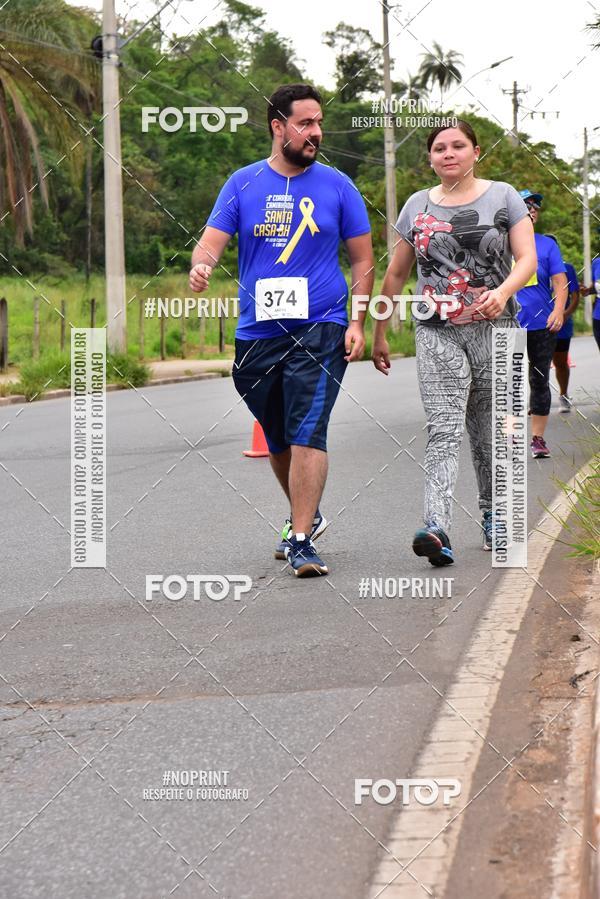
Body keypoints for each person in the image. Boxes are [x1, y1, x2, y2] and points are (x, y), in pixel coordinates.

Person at [189, 83, 374, 577]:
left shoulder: (339, 186)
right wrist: (202, 266)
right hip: (258, 332)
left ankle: (299, 539)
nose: (316, 132)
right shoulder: (243, 183)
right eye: (305, 123)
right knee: (277, 437)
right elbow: (210, 241)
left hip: (322, 325)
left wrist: (356, 320)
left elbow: (362, 259)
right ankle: (307, 514)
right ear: (278, 126)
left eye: (319, 123)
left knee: (309, 429)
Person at [372, 120, 536, 565]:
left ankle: (495, 517)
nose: (449, 153)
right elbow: (396, 274)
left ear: (476, 152)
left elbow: (527, 258)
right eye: (439, 148)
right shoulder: (415, 206)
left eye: (458, 146)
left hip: (498, 331)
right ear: (430, 158)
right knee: (443, 430)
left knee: (492, 433)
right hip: (436, 331)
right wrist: (380, 331)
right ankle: (436, 527)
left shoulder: (504, 197)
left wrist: (502, 293)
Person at [515, 191, 568, 456]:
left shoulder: (547, 245)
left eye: (535, 206)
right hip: (507, 324)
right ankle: (509, 438)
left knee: (539, 379)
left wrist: (558, 310)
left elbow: (560, 281)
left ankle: (537, 438)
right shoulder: (501, 244)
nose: (532, 209)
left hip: (542, 324)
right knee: (506, 383)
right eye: (525, 205)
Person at [547, 236, 580, 412]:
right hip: (539, 324)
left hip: (562, 325)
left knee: (560, 362)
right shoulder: (532, 267)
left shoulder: (567, 268)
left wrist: (564, 315)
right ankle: (538, 400)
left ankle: (564, 395)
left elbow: (575, 296)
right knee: (537, 364)